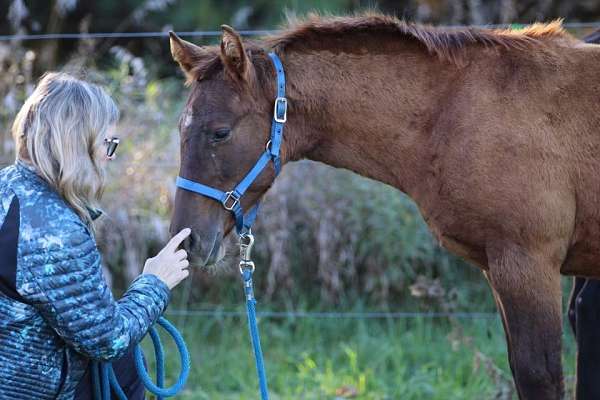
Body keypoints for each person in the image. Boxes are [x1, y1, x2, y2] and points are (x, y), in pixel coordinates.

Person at [0, 72, 191, 399]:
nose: (111, 156)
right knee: (124, 359)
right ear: (76, 142)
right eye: (108, 143)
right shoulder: (55, 230)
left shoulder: (7, 188)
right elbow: (106, 339)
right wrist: (155, 283)